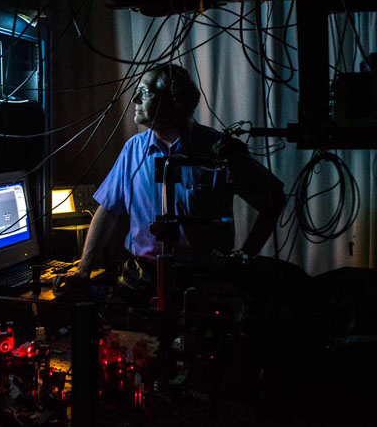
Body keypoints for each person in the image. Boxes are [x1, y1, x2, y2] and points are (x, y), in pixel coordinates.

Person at [70, 64, 285, 300]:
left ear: (174, 100)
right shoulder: (133, 149)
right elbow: (108, 210)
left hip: (203, 282)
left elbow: (273, 199)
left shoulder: (216, 149)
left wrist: (244, 258)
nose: (134, 100)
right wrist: (84, 270)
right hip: (143, 279)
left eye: (144, 92)